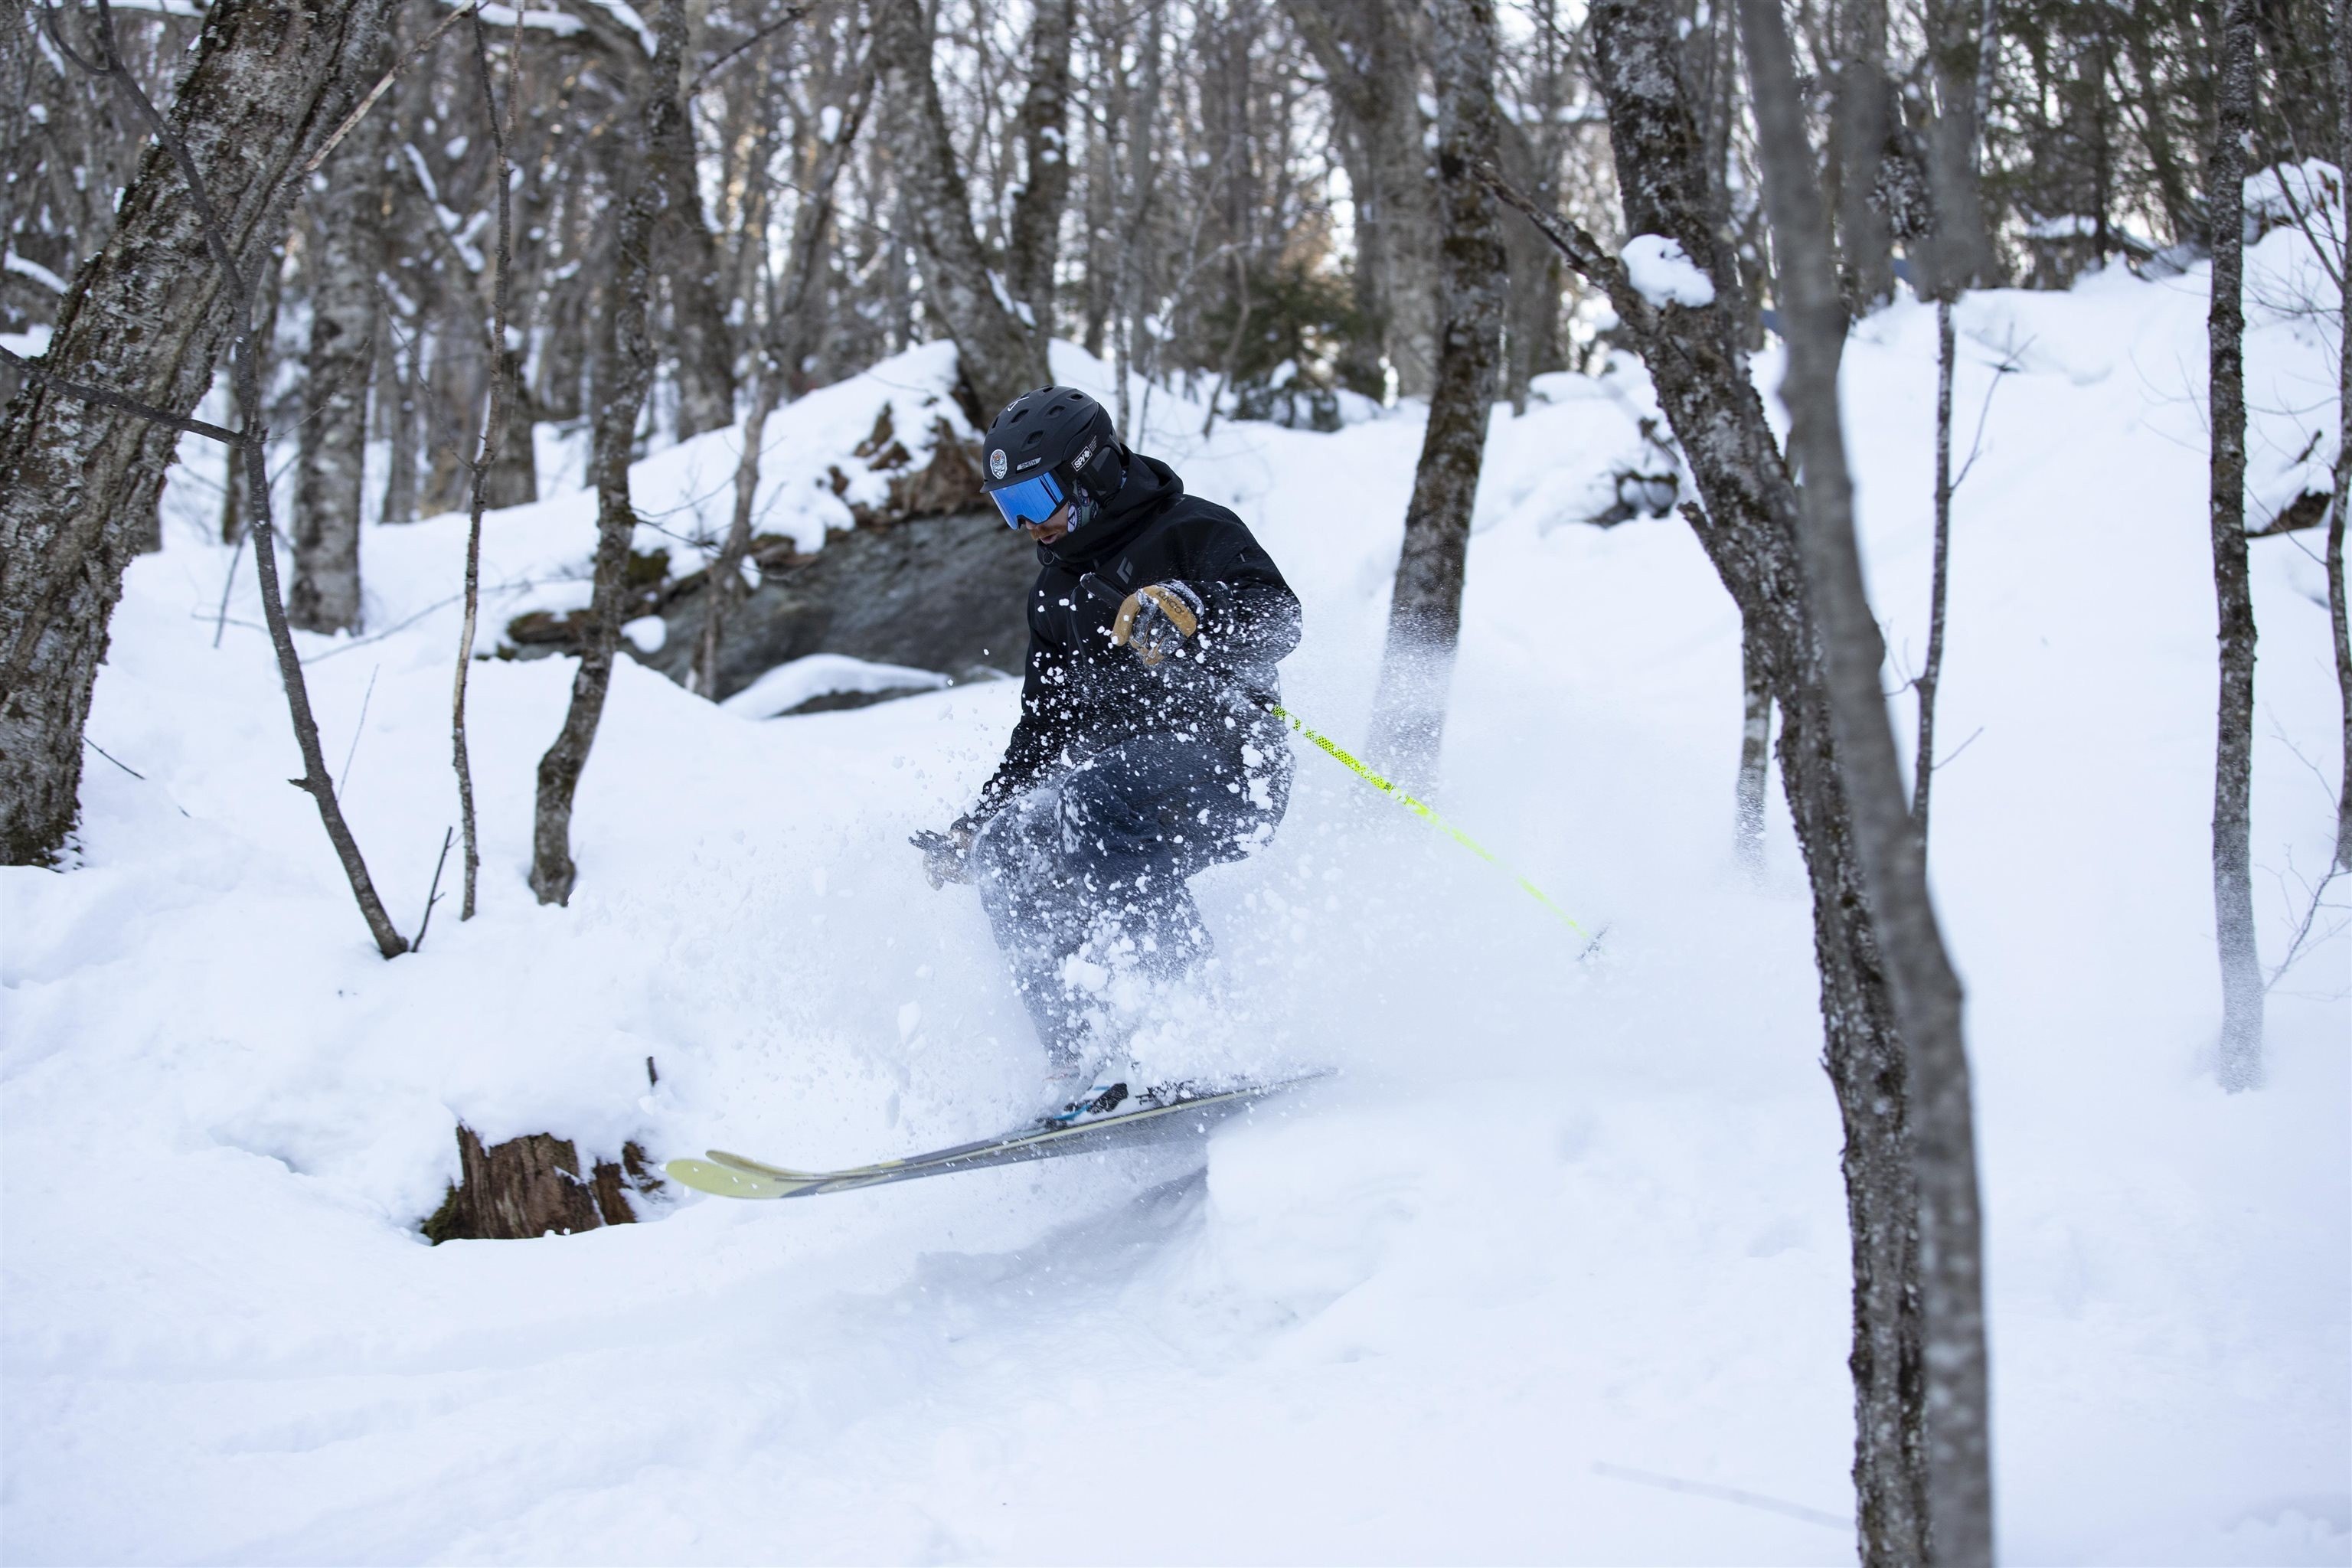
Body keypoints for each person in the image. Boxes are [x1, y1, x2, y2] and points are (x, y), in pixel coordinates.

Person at [914, 386, 1302, 1122]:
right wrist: (978, 822)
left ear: (1089, 472)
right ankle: (1080, 1051)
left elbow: (1279, 619)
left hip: (1231, 763)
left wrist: (1198, 609)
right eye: (1009, 508)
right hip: (1123, 778)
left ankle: (1189, 1030)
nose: (1028, 524)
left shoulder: (1193, 530)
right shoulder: (1054, 590)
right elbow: (1046, 727)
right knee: (1013, 846)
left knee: (1093, 807)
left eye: (1035, 497)